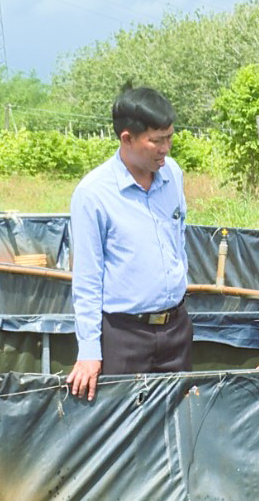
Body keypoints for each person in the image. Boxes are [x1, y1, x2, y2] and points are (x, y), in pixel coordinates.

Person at [66, 87, 191, 401]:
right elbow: (87, 279)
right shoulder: (93, 194)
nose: (165, 148)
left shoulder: (172, 175)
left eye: (169, 137)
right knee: (123, 432)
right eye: (156, 140)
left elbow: (179, 239)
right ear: (127, 139)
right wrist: (89, 352)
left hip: (176, 329)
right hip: (125, 335)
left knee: (177, 424)